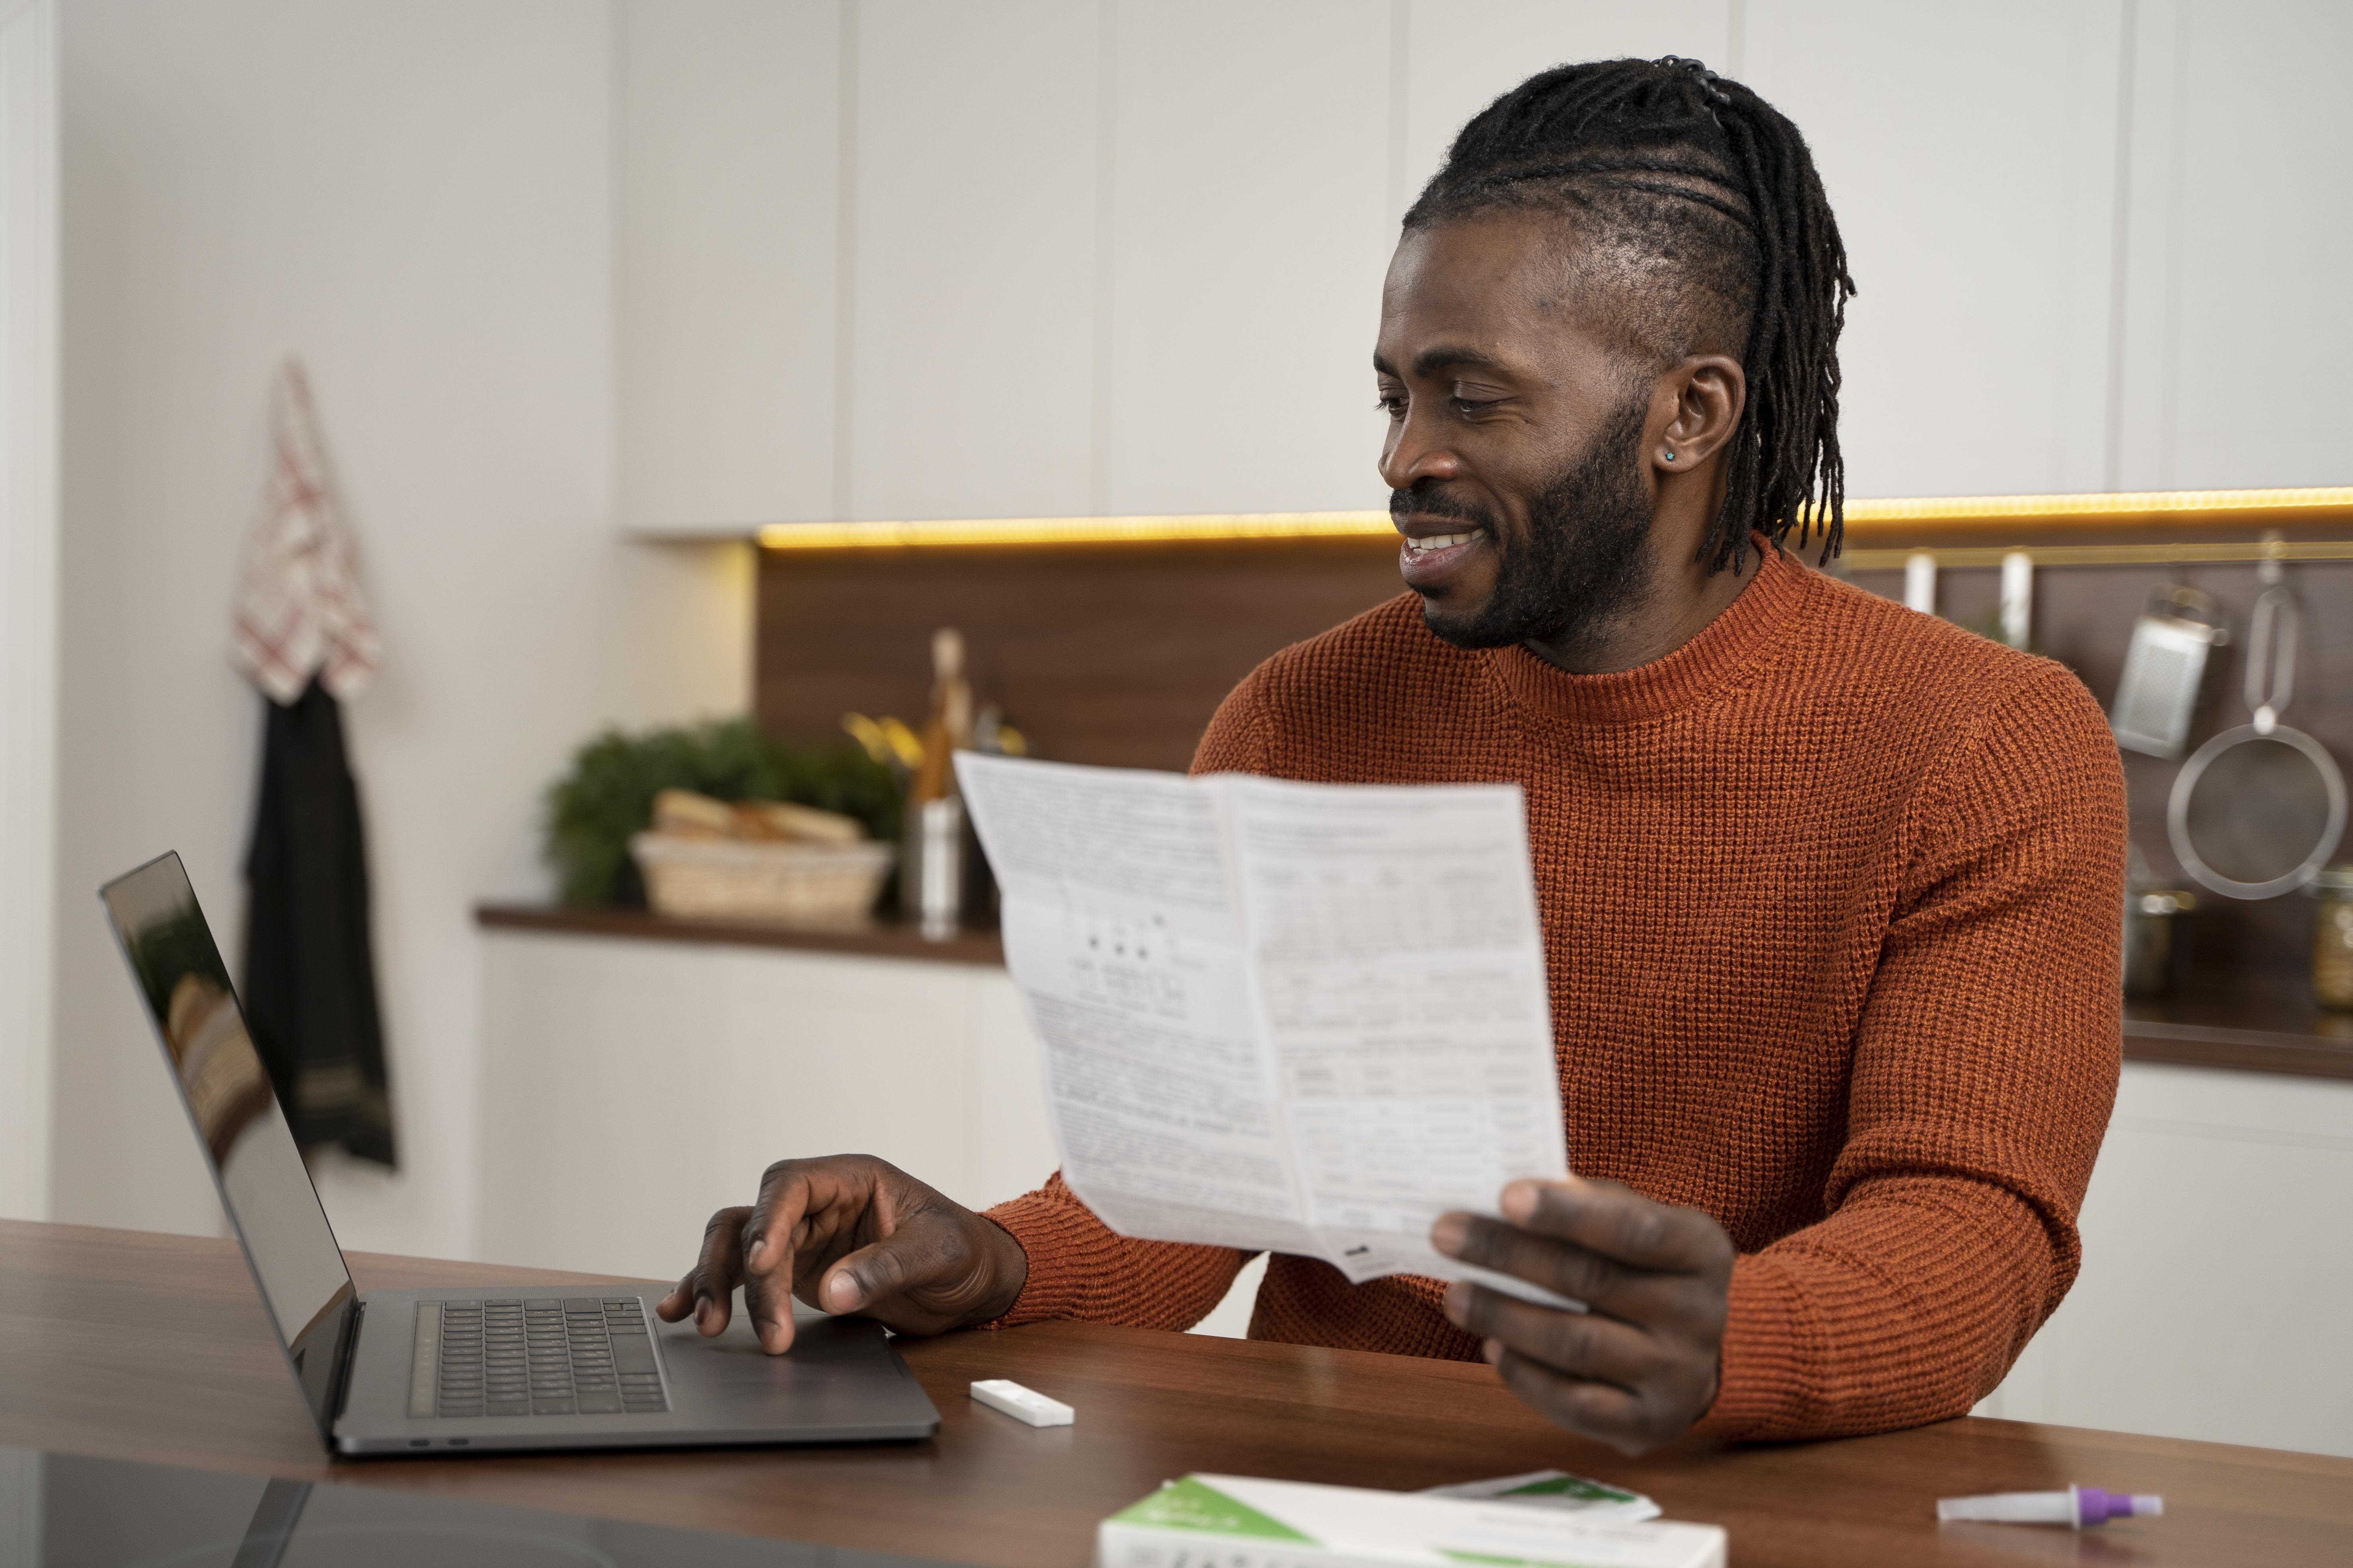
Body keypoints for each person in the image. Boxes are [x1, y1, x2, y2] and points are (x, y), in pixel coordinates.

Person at [657, 57, 2124, 1454]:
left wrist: (1735, 1336)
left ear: (1689, 414)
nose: (1403, 455)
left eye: (1472, 396)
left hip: (1736, 1495)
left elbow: (1971, 1228)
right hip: (1308, 1486)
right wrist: (983, 1258)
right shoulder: (1301, 719)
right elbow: (1191, 1193)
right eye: (1395, 393)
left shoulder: (1988, 744)